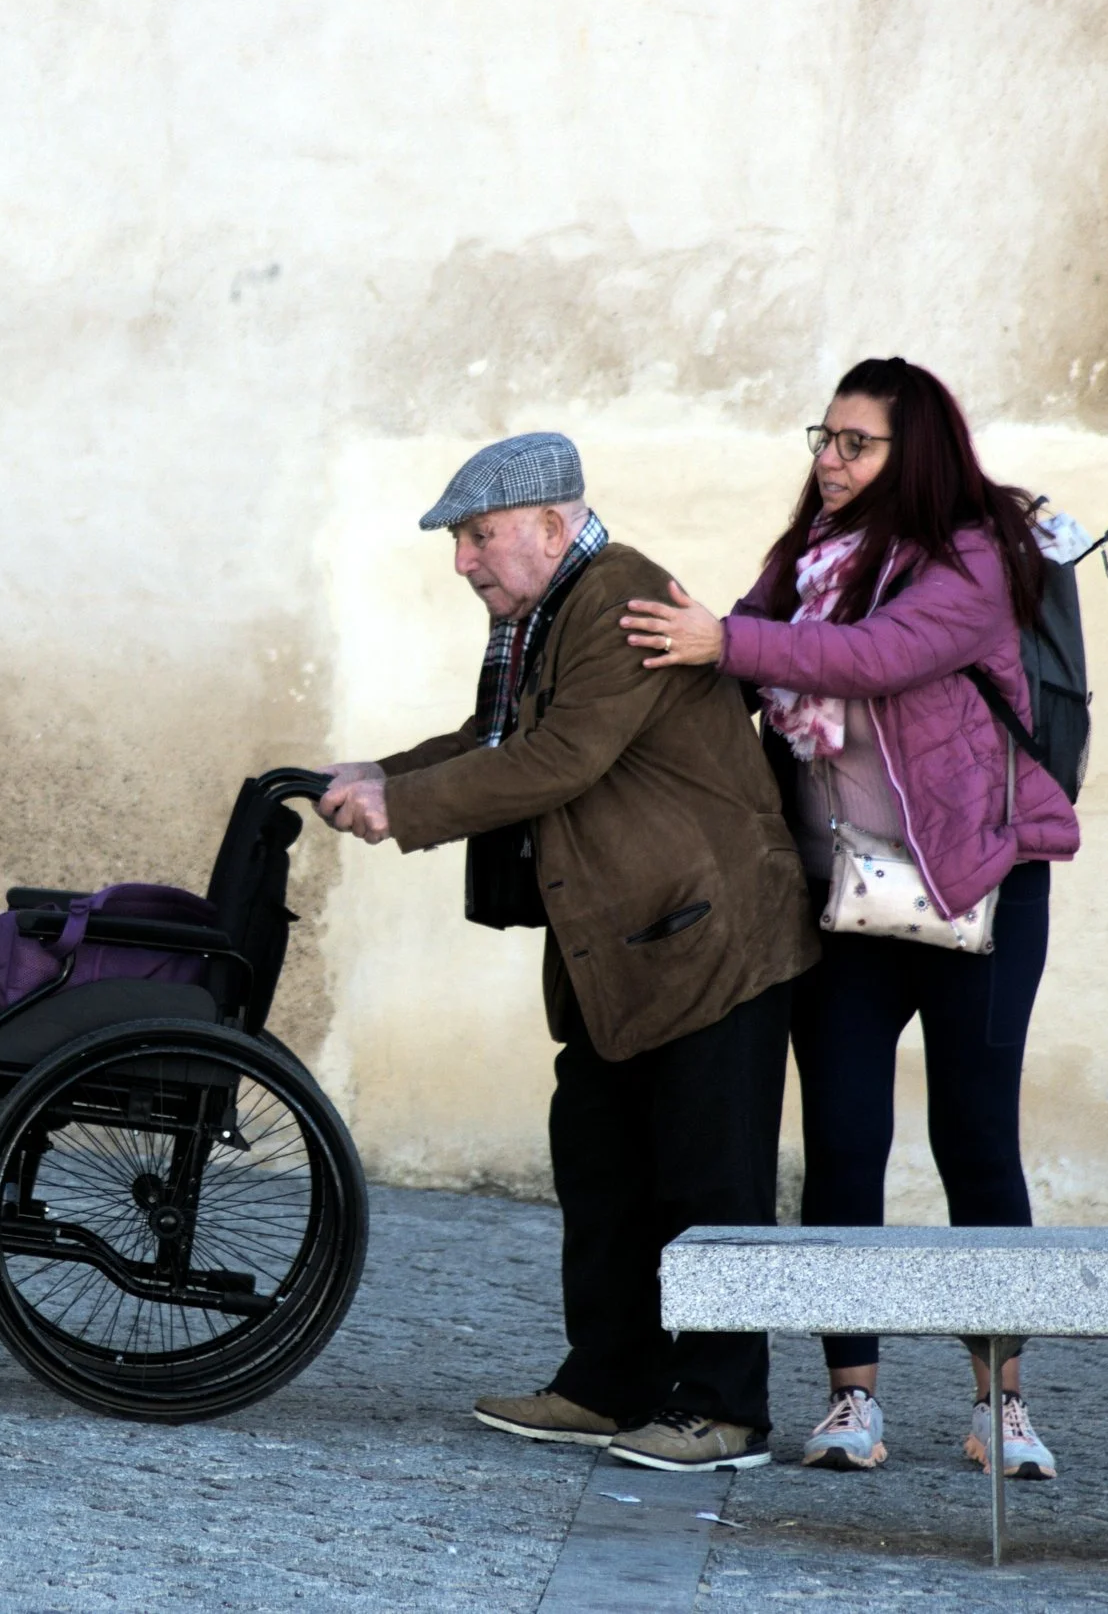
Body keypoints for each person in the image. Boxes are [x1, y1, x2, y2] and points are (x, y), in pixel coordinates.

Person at [317, 431, 816, 1473]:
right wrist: (377, 768)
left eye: (478, 536)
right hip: (621, 949)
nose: (463, 560)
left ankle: (724, 1412)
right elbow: (493, 738)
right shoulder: (546, 615)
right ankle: (608, 1385)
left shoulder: (620, 600)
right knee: (602, 1171)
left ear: (551, 525)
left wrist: (399, 806)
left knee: (707, 1184)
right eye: (459, 540)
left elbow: (558, 758)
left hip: (709, 938)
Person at [619, 357, 1079, 1481]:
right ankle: (850, 1400)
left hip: (978, 884)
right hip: (845, 896)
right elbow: (743, 655)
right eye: (821, 437)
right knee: (842, 1144)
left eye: (854, 444)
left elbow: (877, 660)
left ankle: (999, 1404)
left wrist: (727, 641)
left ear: (909, 452)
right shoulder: (808, 561)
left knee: (975, 1143)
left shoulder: (975, 556)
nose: (828, 461)